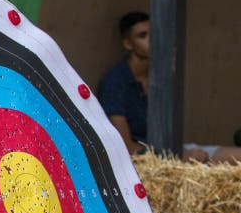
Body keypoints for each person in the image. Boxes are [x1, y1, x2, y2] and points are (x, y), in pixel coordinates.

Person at [97, 11, 241, 164]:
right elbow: (125, 147)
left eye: (154, 33)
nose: (151, 40)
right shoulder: (115, 82)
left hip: (174, 150)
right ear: (128, 44)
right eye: (142, 35)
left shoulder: (160, 76)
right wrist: (173, 156)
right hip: (147, 159)